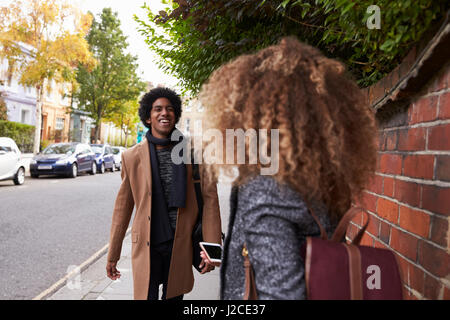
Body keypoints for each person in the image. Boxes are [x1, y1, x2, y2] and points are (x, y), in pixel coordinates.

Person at [198, 37, 378, 299]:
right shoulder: (324, 179)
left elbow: (282, 291)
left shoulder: (266, 188)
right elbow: (301, 254)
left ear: (254, 115)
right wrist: (235, 255)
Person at [106, 87, 222, 300]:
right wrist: (113, 254)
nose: (164, 113)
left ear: (175, 115)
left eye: (169, 109)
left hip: (181, 244)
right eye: (157, 109)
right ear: (148, 117)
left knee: (174, 297)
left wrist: (213, 250)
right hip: (147, 245)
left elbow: (211, 201)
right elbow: (122, 209)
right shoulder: (132, 157)